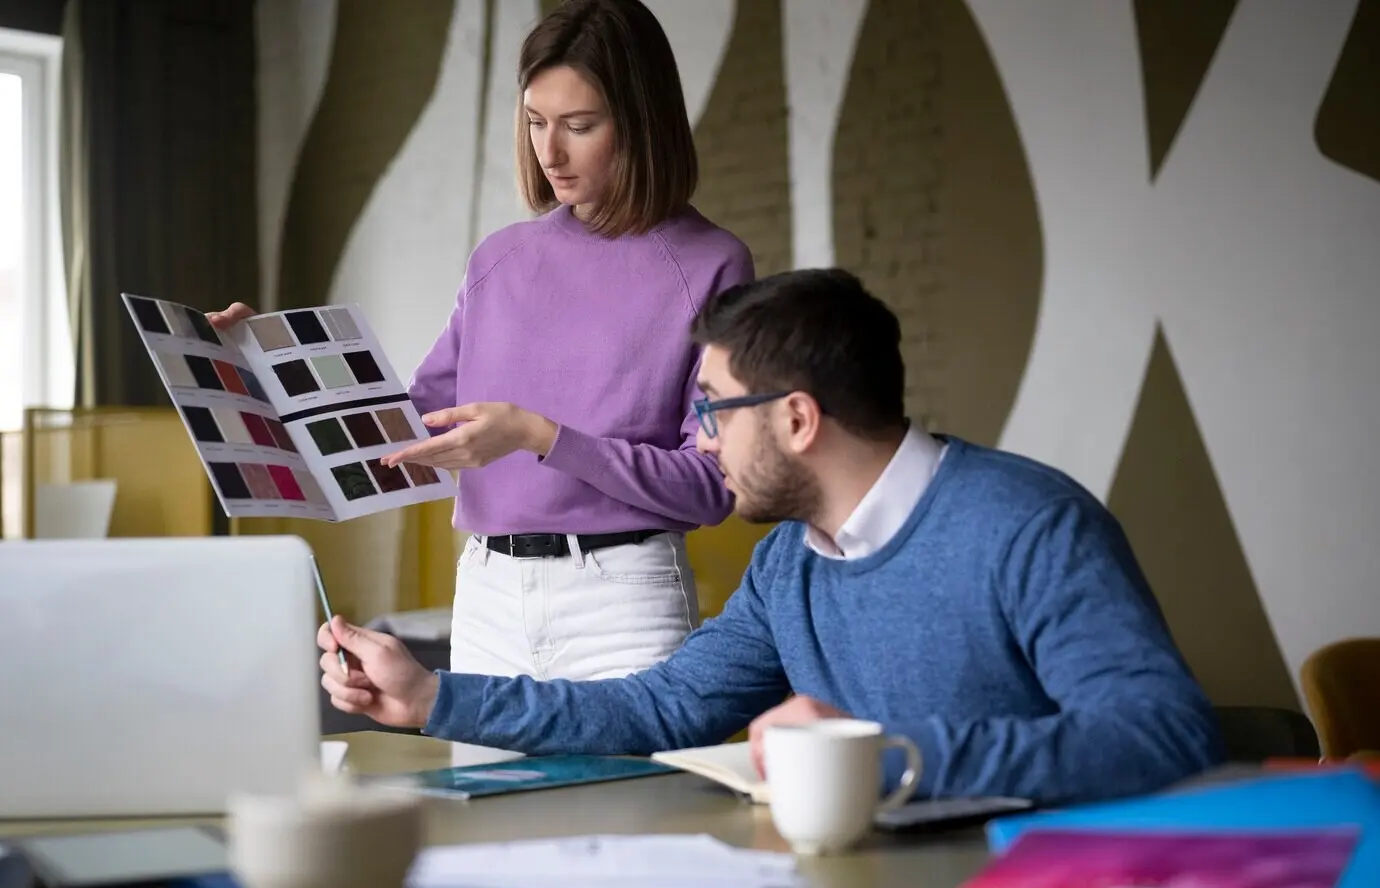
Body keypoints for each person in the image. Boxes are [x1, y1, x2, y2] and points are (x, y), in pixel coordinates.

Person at [316, 268, 1225, 805]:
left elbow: (1164, 733)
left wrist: (887, 755)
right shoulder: (789, 562)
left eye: (712, 408)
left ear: (796, 418)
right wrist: (432, 694)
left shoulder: (1030, 525)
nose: (702, 438)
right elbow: (660, 707)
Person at [211, 0, 751, 704]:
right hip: (488, 598)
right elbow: (406, 430)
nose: (549, 153)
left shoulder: (710, 264)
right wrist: (271, 364)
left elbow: (711, 487)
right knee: (484, 783)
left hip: (622, 602)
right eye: (535, 122)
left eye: (579, 125)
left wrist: (540, 436)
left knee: (624, 780)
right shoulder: (499, 260)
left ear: (642, 122)